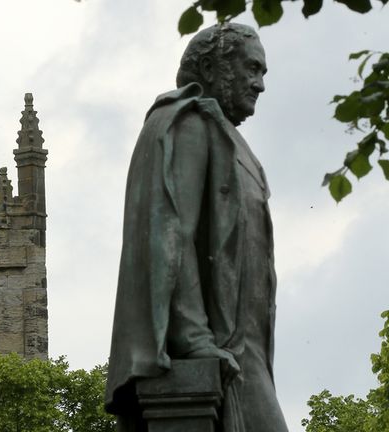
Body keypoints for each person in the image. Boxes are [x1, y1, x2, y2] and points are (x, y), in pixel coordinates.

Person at [105, 23, 288, 432]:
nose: (259, 85)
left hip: (248, 356)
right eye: (251, 69)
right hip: (225, 357)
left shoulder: (228, 137)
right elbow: (171, 232)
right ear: (208, 66)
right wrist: (196, 342)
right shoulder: (188, 122)